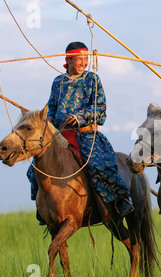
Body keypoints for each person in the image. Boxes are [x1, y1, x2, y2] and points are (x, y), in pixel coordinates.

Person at [27, 41, 134, 225]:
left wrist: (79, 118)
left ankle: (120, 202)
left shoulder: (92, 79)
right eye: (79, 59)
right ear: (68, 60)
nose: (83, 63)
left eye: (86, 59)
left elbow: (100, 109)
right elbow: (51, 108)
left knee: (99, 166)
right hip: (59, 136)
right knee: (34, 170)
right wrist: (50, 119)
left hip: (86, 136)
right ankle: (44, 210)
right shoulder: (58, 82)